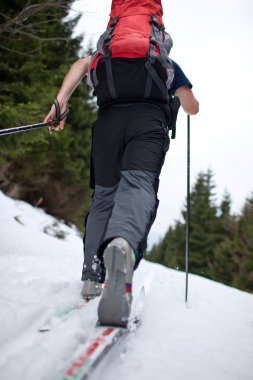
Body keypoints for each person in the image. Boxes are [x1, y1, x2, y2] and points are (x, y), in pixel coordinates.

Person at [44, 1, 199, 327]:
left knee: (103, 197)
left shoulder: (106, 54)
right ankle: (123, 245)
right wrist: (184, 97)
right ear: (159, 37)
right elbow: (192, 106)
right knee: (138, 185)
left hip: (108, 125)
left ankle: (91, 274)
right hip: (148, 124)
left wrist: (59, 104)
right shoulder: (165, 62)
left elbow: (79, 65)